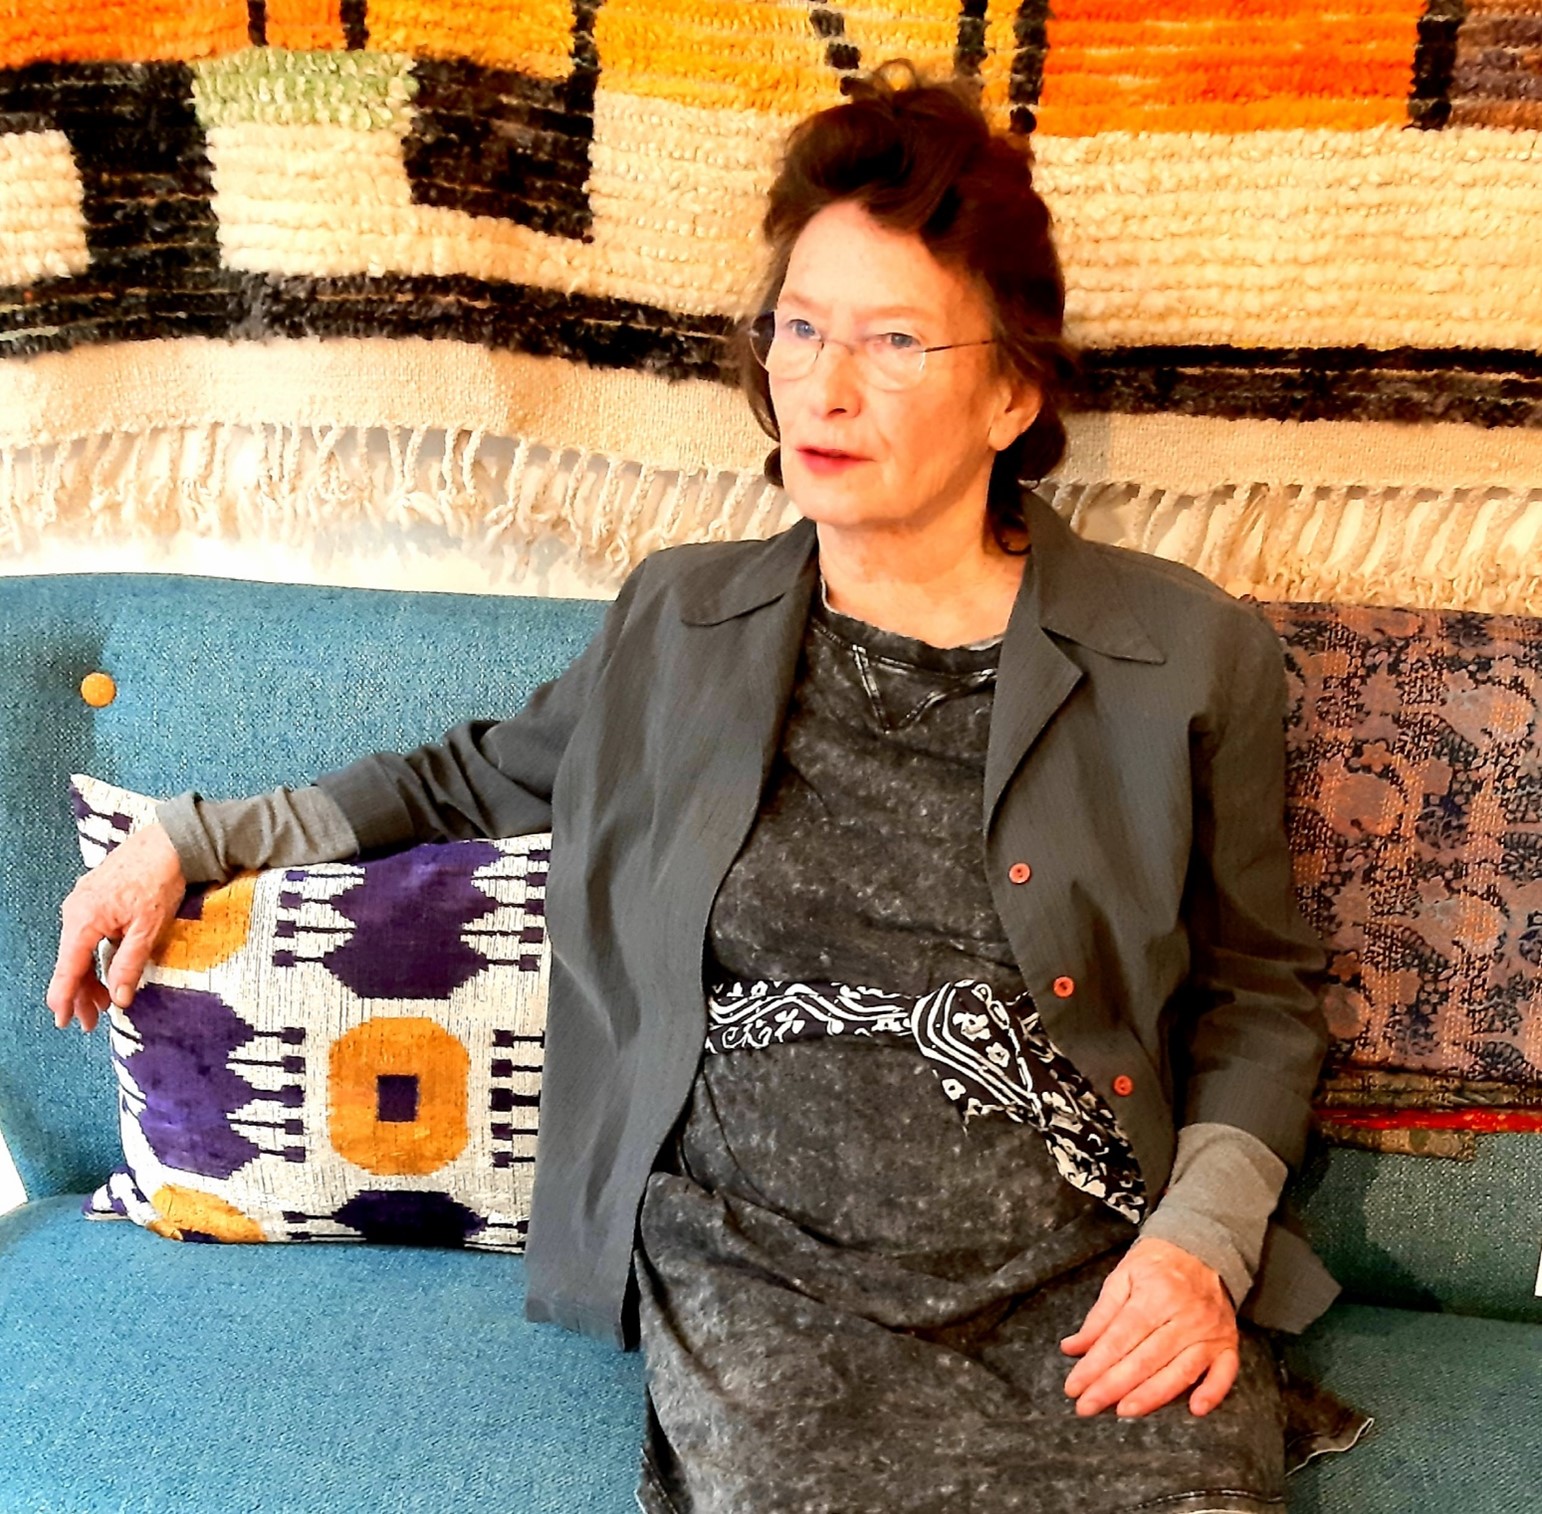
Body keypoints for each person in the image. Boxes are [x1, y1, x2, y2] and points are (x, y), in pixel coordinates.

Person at [48, 62, 1358, 1514]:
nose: (825, 386)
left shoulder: (1185, 653)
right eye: (799, 328)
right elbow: (469, 777)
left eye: (894, 341)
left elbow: (1259, 994)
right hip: (767, 1269)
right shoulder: (681, 622)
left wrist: (1195, 1246)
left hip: (1084, 1264)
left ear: (1010, 392)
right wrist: (184, 838)